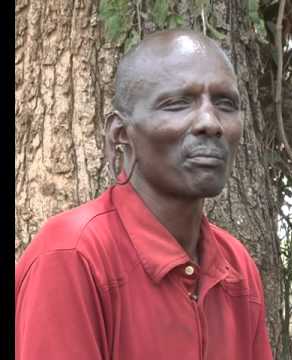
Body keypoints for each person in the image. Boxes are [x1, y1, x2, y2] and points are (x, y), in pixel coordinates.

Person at [15, 30, 273, 360]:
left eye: (226, 104)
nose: (210, 122)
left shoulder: (235, 266)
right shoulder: (73, 255)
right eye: (177, 104)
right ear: (120, 134)